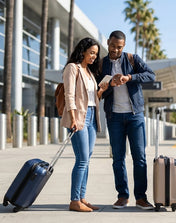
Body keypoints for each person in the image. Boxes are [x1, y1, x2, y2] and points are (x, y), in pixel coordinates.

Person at [98, 30, 155, 210]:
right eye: (113, 46)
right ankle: (122, 196)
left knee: (140, 158)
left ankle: (141, 197)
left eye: (119, 47)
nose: (116, 50)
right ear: (108, 42)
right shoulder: (101, 64)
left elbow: (151, 75)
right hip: (114, 116)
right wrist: (110, 85)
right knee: (118, 159)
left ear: (124, 46)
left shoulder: (132, 58)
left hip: (134, 115)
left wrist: (130, 77)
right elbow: (98, 92)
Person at [60, 37, 108, 212]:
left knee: (86, 160)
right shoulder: (73, 68)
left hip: (91, 118)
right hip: (78, 117)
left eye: (96, 54)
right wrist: (73, 119)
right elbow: (69, 95)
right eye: (92, 53)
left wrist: (101, 90)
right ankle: (74, 201)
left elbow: (91, 99)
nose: (94, 57)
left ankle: (81, 197)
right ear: (83, 52)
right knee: (81, 160)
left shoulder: (89, 73)